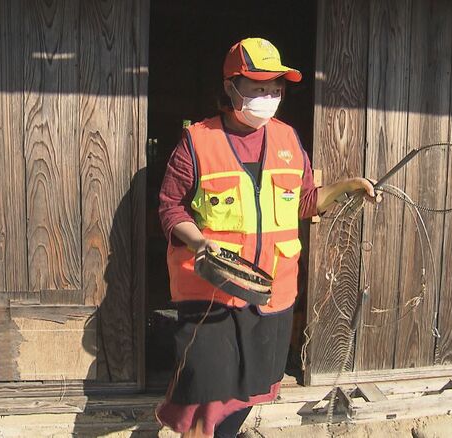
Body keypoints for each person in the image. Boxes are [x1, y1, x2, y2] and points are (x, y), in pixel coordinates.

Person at [156, 37, 379, 438]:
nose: (269, 95)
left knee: (252, 391)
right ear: (231, 86)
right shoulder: (197, 142)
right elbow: (170, 209)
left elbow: (306, 201)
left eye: (275, 88)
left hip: (271, 293)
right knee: (207, 390)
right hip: (211, 292)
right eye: (258, 87)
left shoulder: (288, 139)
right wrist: (200, 241)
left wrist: (348, 186)